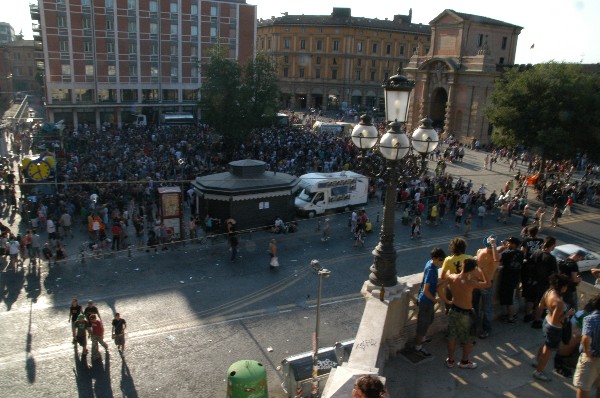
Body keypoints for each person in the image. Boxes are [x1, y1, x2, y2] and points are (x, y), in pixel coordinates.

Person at [437, 258, 490, 369]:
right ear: (472, 270)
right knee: (468, 339)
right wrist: (483, 270)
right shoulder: (470, 283)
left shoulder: (452, 277)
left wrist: (447, 300)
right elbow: (487, 284)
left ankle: (450, 361)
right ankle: (464, 362)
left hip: (454, 310)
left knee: (452, 337)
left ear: (462, 266)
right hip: (466, 314)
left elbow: (439, 288)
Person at [532, 274, 575, 382]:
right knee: (548, 353)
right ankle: (538, 371)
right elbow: (557, 320)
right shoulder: (559, 302)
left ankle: (537, 361)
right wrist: (567, 314)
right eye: (565, 286)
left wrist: (550, 310)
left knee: (545, 344)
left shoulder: (549, 291)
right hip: (554, 328)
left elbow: (541, 306)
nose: (566, 288)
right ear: (562, 286)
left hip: (546, 321)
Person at [413, 248, 446, 357]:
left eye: (443, 260)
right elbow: (426, 290)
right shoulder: (432, 270)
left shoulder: (430, 263)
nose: (442, 262)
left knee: (429, 320)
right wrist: (435, 300)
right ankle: (418, 347)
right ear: (434, 258)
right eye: (440, 260)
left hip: (427, 301)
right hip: (426, 301)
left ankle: (422, 338)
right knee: (422, 325)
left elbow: (432, 282)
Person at [573, 294, 600, 398]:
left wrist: (587, 351)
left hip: (592, 359)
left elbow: (585, 338)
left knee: (584, 387)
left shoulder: (591, 319)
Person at [473, 236, 500, 339]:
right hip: (477, 282)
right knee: (475, 306)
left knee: (486, 308)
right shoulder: (480, 251)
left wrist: (493, 246)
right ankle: (476, 326)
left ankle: (486, 329)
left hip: (486, 283)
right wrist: (494, 245)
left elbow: (496, 259)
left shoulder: (495, 255)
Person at [530, 237, 559, 329]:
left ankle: (529, 315)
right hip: (544, 283)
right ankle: (537, 320)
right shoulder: (551, 258)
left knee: (531, 300)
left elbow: (529, 264)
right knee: (541, 303)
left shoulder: (536, 252)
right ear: (552, 245)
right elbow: (554, 274)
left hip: (534, 281)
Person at [497, 237, 525, 323]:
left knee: (509, 300)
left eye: (509, 243)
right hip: (515, 278)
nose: (507, 244)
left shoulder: (507, 253)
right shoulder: (520, 253)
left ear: (514, 244)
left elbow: (498, 259)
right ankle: (511, 316)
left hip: (507, 278)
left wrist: (501, 248)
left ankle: (510, 318)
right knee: (511, 298)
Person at [520, 226, 545, 322]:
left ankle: (527, 313)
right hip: (538, 268)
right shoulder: (541, 241)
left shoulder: (526, 241)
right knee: (536, 291)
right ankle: (536, 310)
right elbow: (542, 251)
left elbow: (523, 252)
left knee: (527, 291)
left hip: (528, 267)